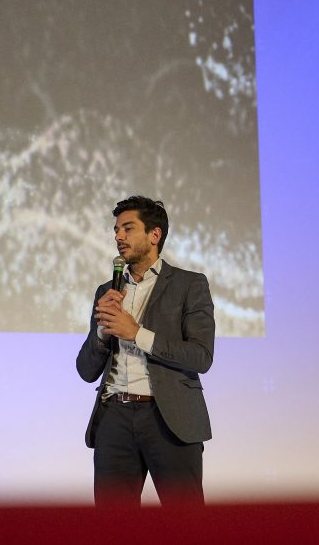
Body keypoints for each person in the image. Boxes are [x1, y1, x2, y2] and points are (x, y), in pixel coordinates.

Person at [76, 196, 215, 507]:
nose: (118, 236)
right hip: (114, 417)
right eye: (116, 230)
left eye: (128, 228)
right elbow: (86, 370)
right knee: (113, 524)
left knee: (185, 521)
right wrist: (102, 332)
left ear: (155, 235)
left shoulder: (189, 285)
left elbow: (201, 356)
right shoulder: (107, 291)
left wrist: (136, 334)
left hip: (169, 419)